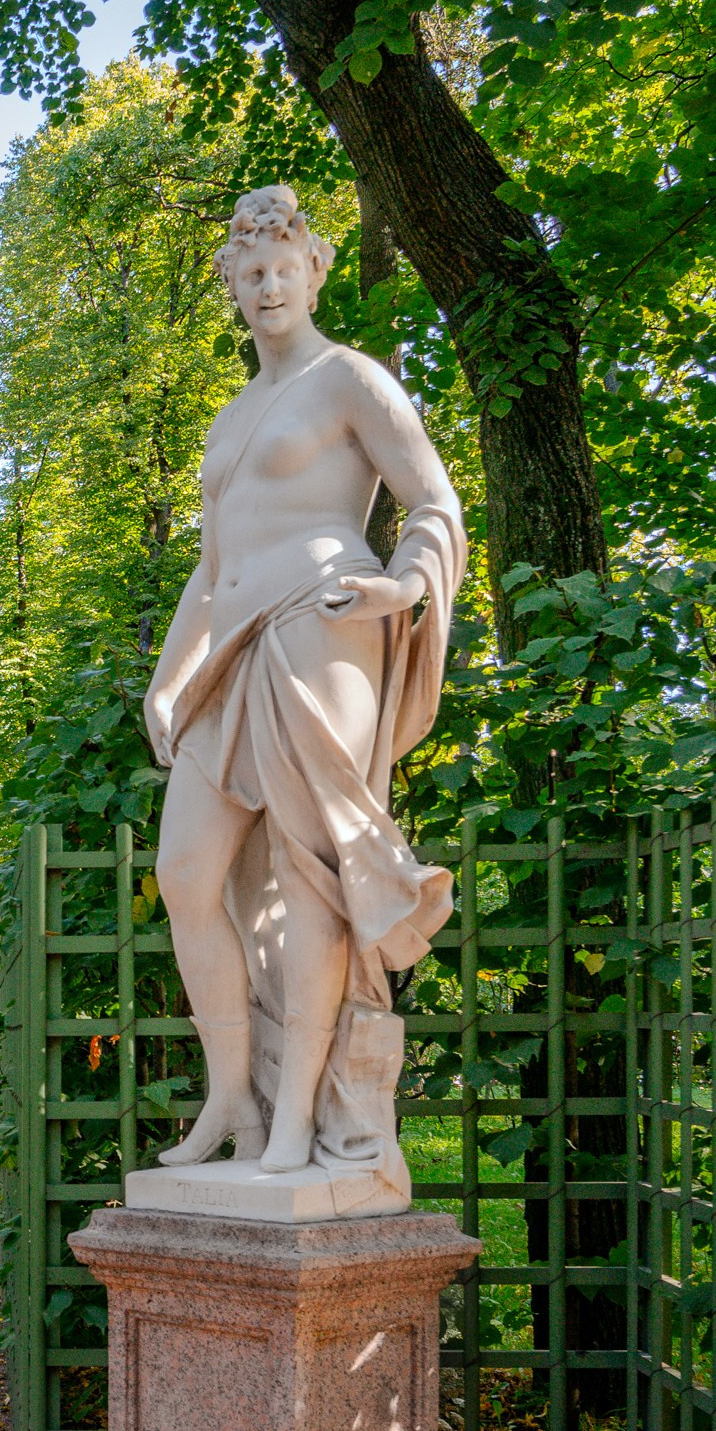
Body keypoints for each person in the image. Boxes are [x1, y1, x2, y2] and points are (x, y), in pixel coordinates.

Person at [141, 185, 465, 1200]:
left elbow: (433, 499)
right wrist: (167, 677)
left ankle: (297, 1123)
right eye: (250, 274)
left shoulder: (350, 380)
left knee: (306, 871)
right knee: (185, 876)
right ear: (232, 290)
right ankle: (233, 1097)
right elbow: (210, 563)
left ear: (313, 273)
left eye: (284, 268)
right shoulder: (232, 416)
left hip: (321, 620)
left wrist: (406, 582)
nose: (268, 285)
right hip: (230, 639)